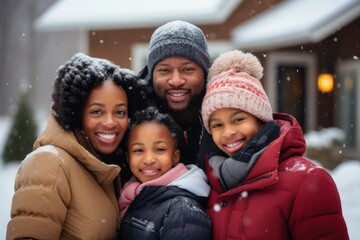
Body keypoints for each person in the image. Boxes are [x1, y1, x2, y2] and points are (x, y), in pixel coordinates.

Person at [200, 50, 349, 239]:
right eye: (217, 125)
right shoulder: (210, 182)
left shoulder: (309, 181)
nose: (228, 132)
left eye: (238, 120)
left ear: (260, 120)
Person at [6, 53, 146, 239]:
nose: (111, 122)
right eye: (97, 112)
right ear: (76, 114)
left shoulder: (106, 167)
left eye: (120, 112)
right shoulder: (50, 164)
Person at [118, 106, 212, 239]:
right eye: (139, 150)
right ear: (128, 158)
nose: (149, 159)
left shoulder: (182, 210)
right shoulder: (131, 197)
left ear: (175, 157)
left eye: (160, 149)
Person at [138, 20, 215, 170]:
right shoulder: (132, 121)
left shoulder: (228, 115)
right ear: (152, 75)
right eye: (165, 70)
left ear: (205, 73)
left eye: (187, 69)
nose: (176, 81)